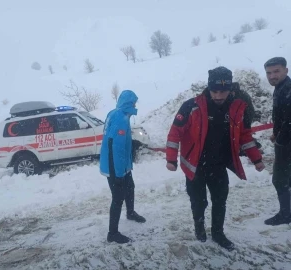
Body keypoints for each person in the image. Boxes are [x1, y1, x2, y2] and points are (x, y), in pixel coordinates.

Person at [166, 66, 265, 251]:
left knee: (220, 200)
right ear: (208, 88)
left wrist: (256, 159)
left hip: (219, 165)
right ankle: (199, 227)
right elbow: (174, 133)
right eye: (215, 91)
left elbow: (244, 136)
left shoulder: (236, 107)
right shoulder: (191, 106)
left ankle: (218, 233)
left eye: (223, 91)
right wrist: (171, 159)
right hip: (195, 166)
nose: (219, 96)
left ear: (230, 89)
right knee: (199, 201)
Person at [100, 89, 146, 244]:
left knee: (130, 187)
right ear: (128, 103)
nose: (135, 105)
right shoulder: (121, 118)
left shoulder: (116, 113)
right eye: (133, 102)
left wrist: (132, 143)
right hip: (115, 166)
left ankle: (131, 213)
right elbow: (116, 147)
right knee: (118, 197)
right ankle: (112, 233)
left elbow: (113, 139)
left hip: (121, 164)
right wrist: (118, 174)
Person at [263, 57, 291, 225]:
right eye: (268, 73)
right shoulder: (281, 87)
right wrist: (276, 132)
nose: (272, 76)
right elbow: (281, 117)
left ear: (286, 70)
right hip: (284, 139)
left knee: (279, 179)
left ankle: (286, 215)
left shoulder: (288, 90)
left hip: (287, 143)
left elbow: (289, 121)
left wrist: (280, 140)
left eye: (276, 71)